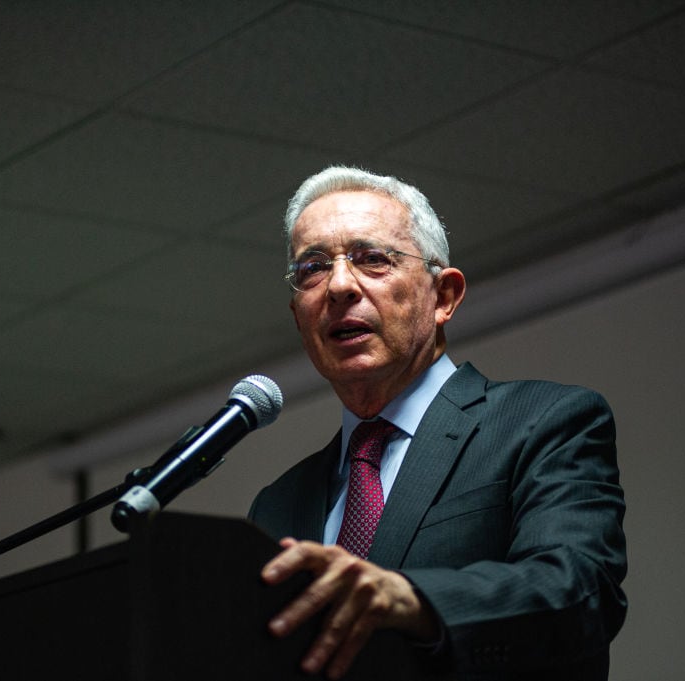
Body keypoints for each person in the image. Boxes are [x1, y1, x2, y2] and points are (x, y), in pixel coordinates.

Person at [248, 166, 627, 680]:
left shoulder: (543, 422)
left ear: (443, 297)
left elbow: (580, 592)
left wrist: (413, 600)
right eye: (313, 267)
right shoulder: (278, 504)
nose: (338, 286)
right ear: (299, 318)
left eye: (372, 259)